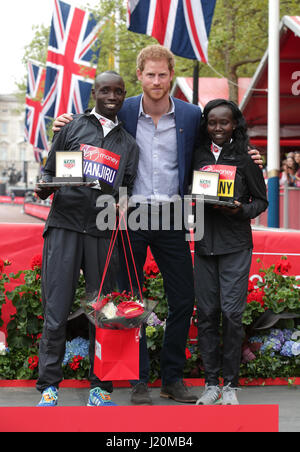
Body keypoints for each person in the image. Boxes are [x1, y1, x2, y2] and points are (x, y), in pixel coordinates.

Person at [52, 44, 263, 406]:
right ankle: (137, 380)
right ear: (140, 76)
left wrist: (248, 156)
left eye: (163, 74)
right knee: (128, 301)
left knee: (183, 299)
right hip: (128, 214)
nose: (157, 81)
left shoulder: (191, 114)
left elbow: (218, 144)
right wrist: (64, 123)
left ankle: (172, 378)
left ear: (170, 75)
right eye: (150, 74)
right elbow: (92, 123)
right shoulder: (125, 107)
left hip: (173, 214)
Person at [34, 71, 139, 407]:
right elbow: (49, 172)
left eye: (117, 92)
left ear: (124, 95)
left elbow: (128, 189)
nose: (111, 96)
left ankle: (101, 388)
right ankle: (49, 387)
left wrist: (124, 202)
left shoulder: (128, 144)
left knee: (105, 312)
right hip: (64, 227)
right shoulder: (72, 126)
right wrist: (43, 185)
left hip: (102, 232)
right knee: (56, 309)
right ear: (94, 92)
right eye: (105, 90)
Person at [193, 99, 268, 405]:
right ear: (205, 125)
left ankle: (230, 385)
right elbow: (186, 188)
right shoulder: (196, 155)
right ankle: (211, 384)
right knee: (208, 315)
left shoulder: (246, 157)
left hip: (236, 245)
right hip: (204, 244)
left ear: (235, 124)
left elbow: (260, 202)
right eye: (212, 123)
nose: (219, 128)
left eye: (224, 122)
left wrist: (239, 210)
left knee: (232, 315)